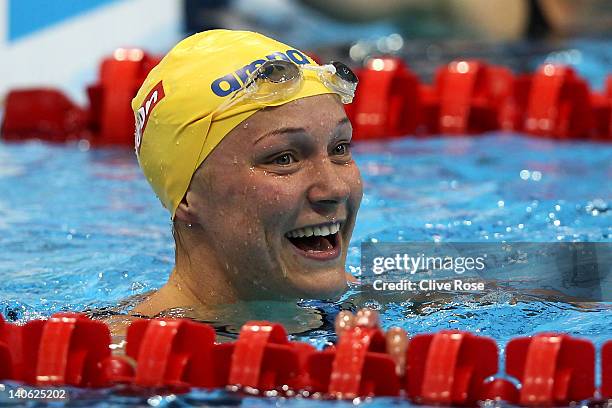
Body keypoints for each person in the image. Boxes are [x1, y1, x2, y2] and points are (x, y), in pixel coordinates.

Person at [105, 30, 364, 334]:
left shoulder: (368, 298)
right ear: (188, 194)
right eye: (283, 159)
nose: (335, 189)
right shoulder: (120, 361)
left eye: (339, 149)